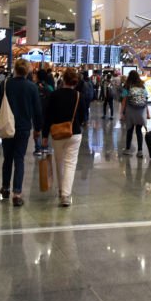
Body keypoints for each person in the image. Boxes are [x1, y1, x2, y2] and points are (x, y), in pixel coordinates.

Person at [0, 58, 43, 206]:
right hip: (23, 128)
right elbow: (37, 111)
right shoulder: (32, 87)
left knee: (7, 158)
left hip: (7, 127)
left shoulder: (5, 84)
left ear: (15, 69)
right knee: (19, 159)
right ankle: (17, 193)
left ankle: (5, 188)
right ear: (28, 70)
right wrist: (38, 129)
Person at [43, 67, 84, 207]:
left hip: (57, 133)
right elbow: (83, 116)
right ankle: (65, 195)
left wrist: (44, 135)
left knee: (59, 162)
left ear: (63, 79)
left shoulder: (54, 95)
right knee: (70, 164)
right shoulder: (79, 95)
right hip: (74, 133)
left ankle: (61, 190)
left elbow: (48, 116)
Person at [120, 70, 150, 157]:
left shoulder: (127, 86)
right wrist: (147, 113)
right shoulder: (142, 86)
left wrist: (121, 113)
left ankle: (128, 149)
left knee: (129, 130)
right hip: (141, 111)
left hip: (130, 111)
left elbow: (124, 101)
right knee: (139, 131)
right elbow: (146, 100)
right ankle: (140, 151)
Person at [34, 68, 55, 155]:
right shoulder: (49, 87)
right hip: (47, 112)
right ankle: (45, 147)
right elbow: (53, 99)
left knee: (37, 128)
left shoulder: (34, 86)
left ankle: (38, 148)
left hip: (36, 111)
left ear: (37, 77)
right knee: (46, 129)